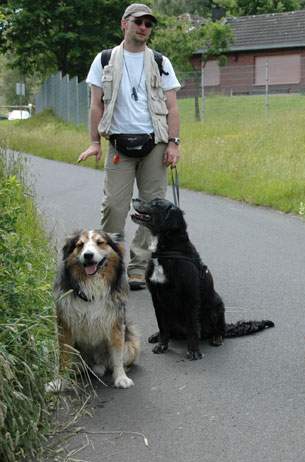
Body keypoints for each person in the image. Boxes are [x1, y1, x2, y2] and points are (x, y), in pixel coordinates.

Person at [78, 3, 181, 290]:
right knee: (114, 207)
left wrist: (173, 143)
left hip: (155, 144)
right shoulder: (105, 59)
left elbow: (172, 107)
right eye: (138, 22)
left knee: (152, 210)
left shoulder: (161, 62)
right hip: (119, 146)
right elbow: (95, 104)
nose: (144, 28)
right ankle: (110, 265)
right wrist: (94, 142)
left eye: (149, 24)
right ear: (124, 24)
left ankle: (138, 268)